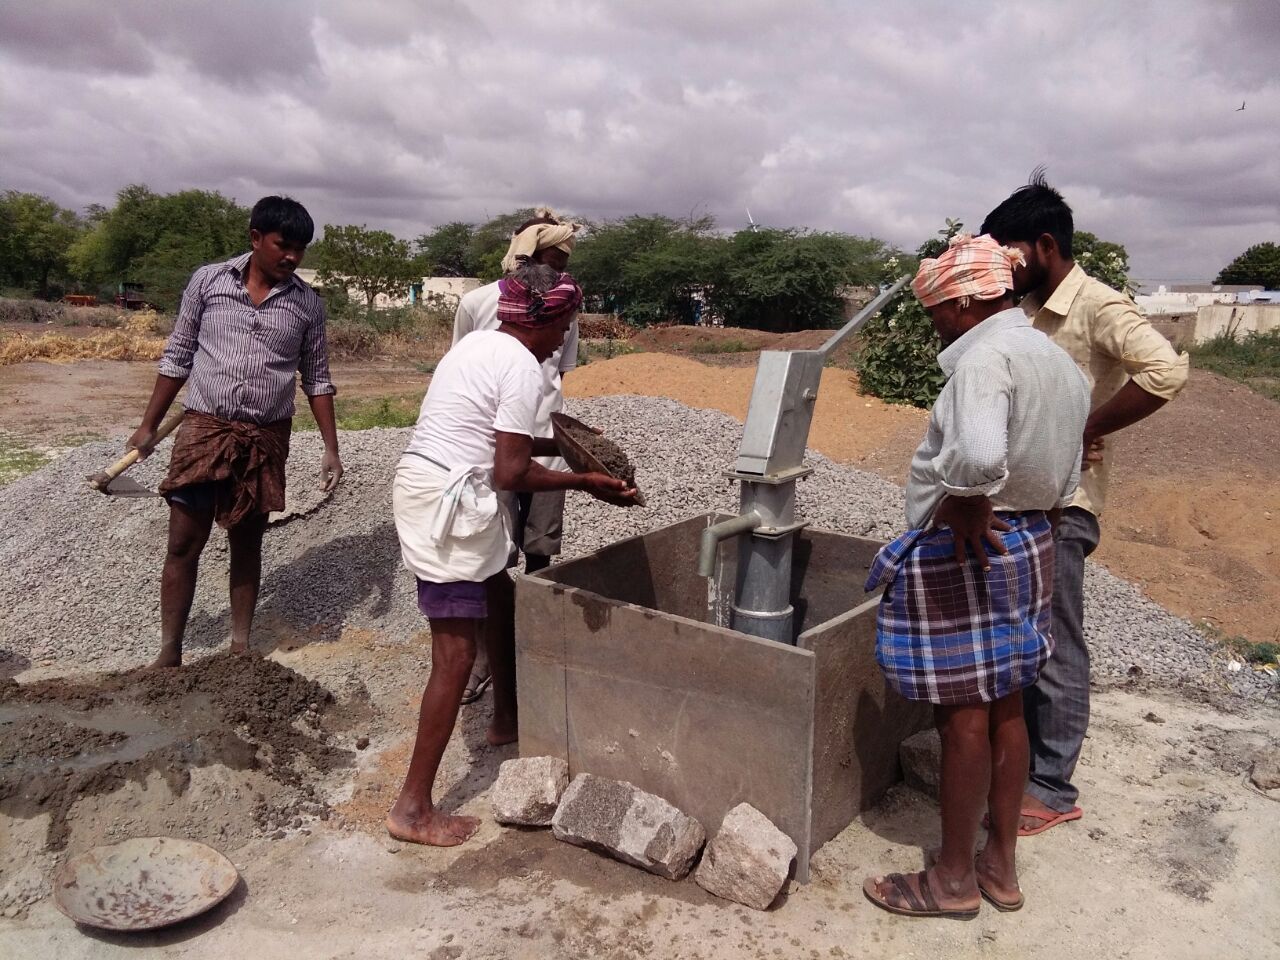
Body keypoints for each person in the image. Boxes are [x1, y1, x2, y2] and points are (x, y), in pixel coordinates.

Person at [862, 234, 1090, 918]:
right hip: (1032, 537)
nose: (935, 322)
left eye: (938, 310)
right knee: (1010, 705)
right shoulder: (1056, 359)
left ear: (965, 301)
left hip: (974, 545)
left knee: (963, 714)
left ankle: (953, 880)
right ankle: (999, 867)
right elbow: (1066, 468)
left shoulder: (984, 360)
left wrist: (965, 496)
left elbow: (982, 451)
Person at [388, 263, 635, 846]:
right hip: (447, 503)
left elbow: (504, 439)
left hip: (436, 486)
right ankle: (413, 808)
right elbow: (512, 470)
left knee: (498, 585)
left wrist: (575, 448)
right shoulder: (525, 366)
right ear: (546, 320)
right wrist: (585, 482)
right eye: (567, 326)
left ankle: (505, 717)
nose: (565, 339)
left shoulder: (480, 344)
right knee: (452, 654)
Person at [981, 175, 1189, 835]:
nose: (1004, 268)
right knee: (1025, 640)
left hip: (1065, 506)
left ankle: (1051, 784)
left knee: (1056, 645)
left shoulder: (1097, 305)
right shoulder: (1025, 309)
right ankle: (1022, 761)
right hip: (1021, 500)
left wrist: (1086, 428)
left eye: (1010, 253)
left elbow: (1165, 371)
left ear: (1045, 244)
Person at [127, 196, 343, 669]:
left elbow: (318, 379)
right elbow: (178, 355)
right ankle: (170, 651)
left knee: (248, 540)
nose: (291, 257)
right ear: (255, 238)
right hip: (204, 429)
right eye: (283, 245)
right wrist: (148, 425)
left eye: (300, 250)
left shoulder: (307, 304)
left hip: (266, 435)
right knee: (184, 541)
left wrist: (331, 447)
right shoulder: (208, 282)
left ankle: (240, 647)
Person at [451, 209, 582, 705]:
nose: (557, 272)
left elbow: (556, 377)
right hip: (493, 449)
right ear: (527, 254)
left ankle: (537, 648)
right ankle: (490, 658)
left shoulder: (566, 305)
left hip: (544, 439)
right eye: (551, 260)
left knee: (541, 548)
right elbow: (465, 369)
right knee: (492, 552)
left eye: (563, 264)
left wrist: (566, 448)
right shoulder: (478, 303)